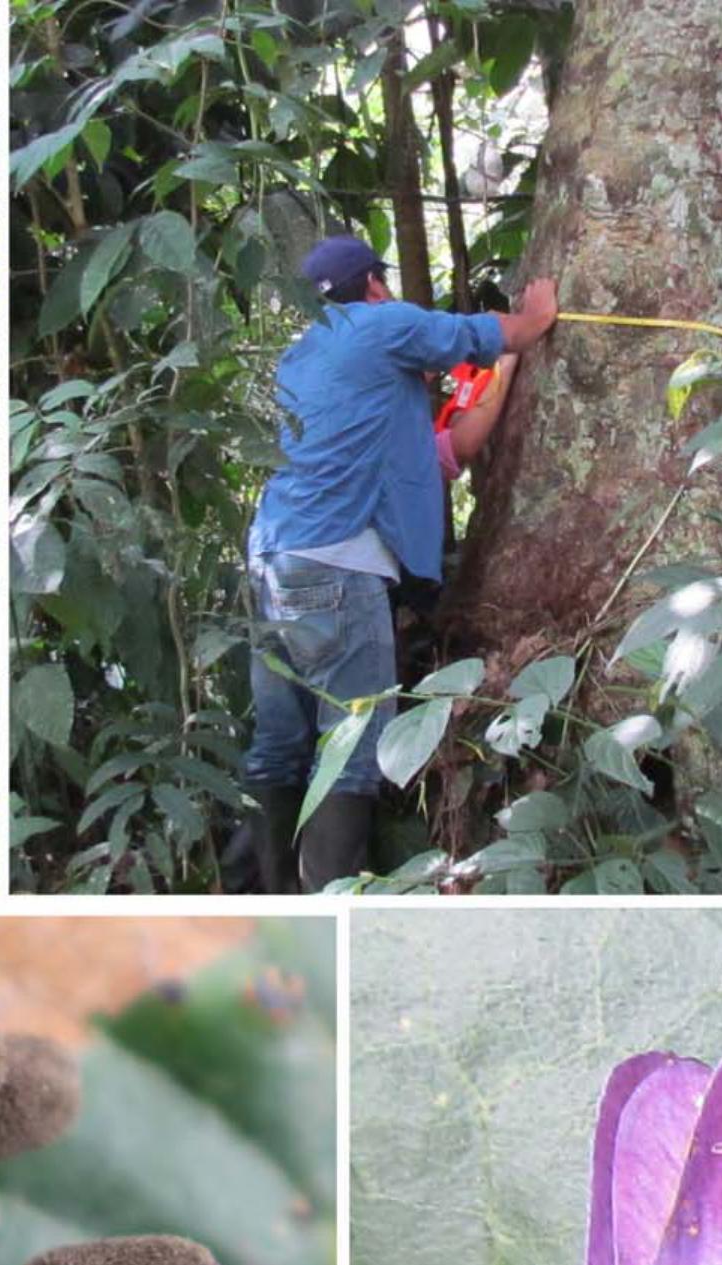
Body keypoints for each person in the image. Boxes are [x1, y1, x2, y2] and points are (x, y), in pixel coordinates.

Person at [243, 237, 558, 891]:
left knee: (278, 746)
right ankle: (330, 913)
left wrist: (499, 374)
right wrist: (531, 316)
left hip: (271, 565)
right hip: (336, 566)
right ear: (375, 285)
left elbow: (455, 448)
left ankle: (263, 898)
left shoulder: (304, 359)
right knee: (354, 748)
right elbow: (513, 331)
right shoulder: (380, 323)